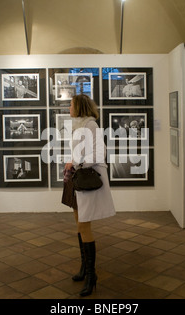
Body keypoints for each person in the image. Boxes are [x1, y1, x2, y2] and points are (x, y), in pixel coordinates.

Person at [63, 94, 116, 297]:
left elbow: (97, 155)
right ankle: (85, 268)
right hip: (78, 177)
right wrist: (73, 162)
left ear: (80, 107)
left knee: (83, 223)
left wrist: (74, 163)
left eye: (71, 104)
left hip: (86, 177)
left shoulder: (91, 125)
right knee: (79, 222)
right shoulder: (79, 125)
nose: (69, 107)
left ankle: (92, 275)